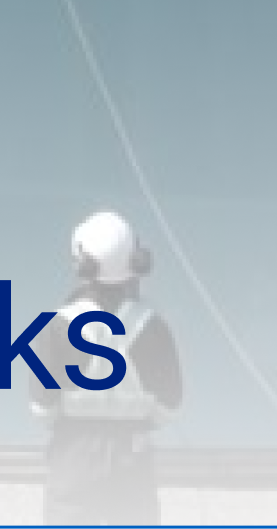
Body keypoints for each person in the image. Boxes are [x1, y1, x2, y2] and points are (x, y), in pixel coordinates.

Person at [27, 209, 183, 526]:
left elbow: (42, 408)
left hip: (74, 457)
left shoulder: (55, 326)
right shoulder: (154, 327)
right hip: (133, 458)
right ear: (135, 262)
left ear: (82, 264)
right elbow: (170, 404)